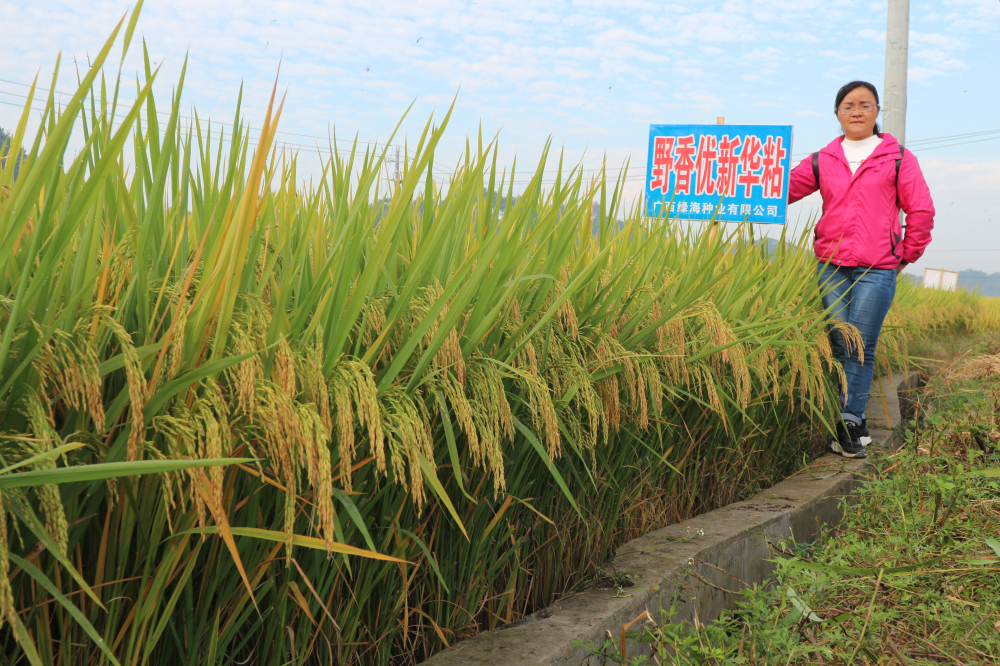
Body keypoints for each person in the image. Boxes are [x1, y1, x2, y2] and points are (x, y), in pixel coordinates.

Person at [788, 80, 935, 459]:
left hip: (876, 265)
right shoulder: (823, 159)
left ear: (877, 112)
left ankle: (848, 420)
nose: (857, 111)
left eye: (865, 105)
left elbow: (920, 210)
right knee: (840, 342)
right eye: (849, 105)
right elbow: (780, 190)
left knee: (859, 343)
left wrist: (905, 255)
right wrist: (733, 188)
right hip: (830, 264)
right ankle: (854, 419)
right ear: (837, 113)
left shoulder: (897, 157)